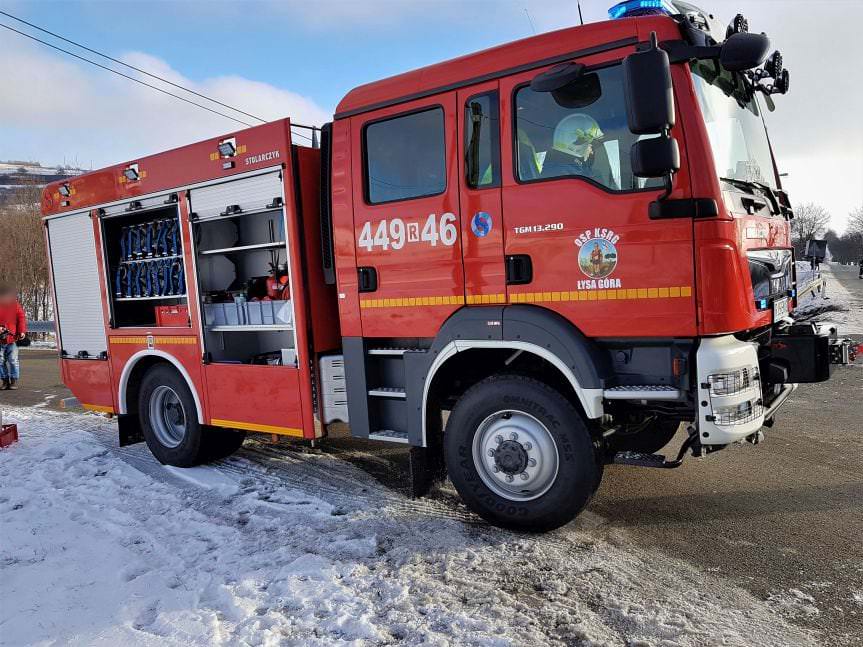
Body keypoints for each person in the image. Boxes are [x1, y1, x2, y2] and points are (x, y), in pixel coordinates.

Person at [541, 113, 604, 181]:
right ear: (576, 143)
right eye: (591, 144)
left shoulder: (567, 171)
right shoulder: (566, 175)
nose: (592, 151)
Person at [0, 283, 26, 390]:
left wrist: (22, 331)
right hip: (0, 340)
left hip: (13, 338)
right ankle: (5, 381)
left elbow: (21, 318)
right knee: (0, 361)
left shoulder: (15, 304)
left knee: (13, 360)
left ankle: (14, 381)